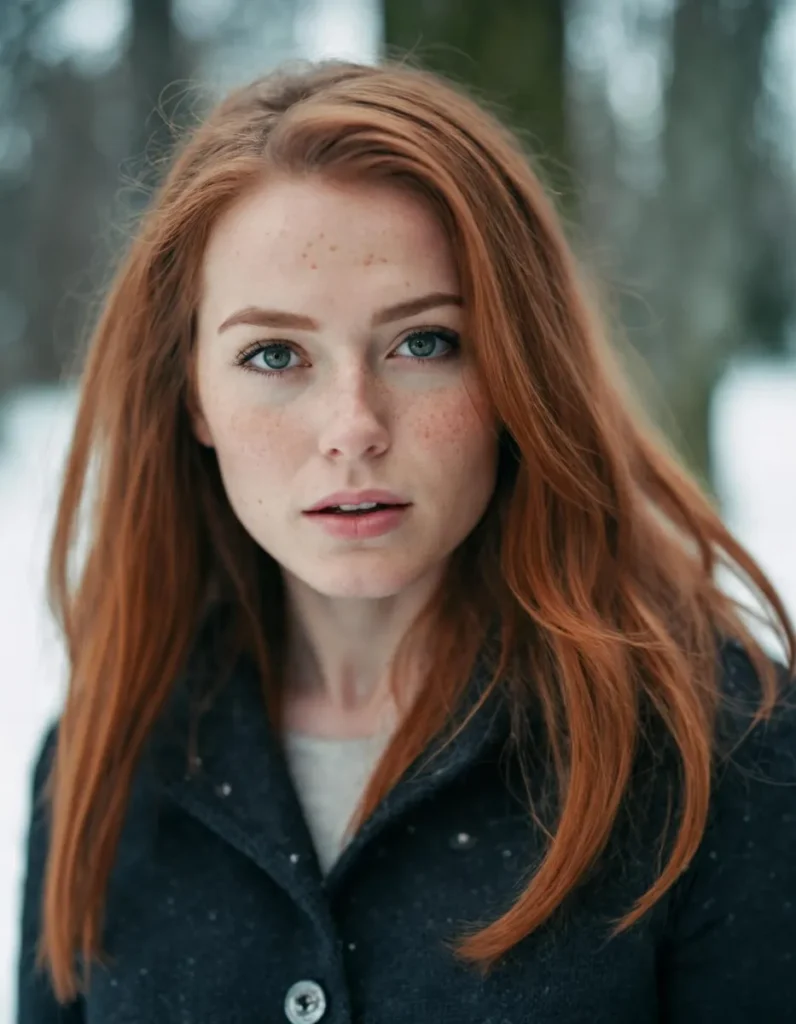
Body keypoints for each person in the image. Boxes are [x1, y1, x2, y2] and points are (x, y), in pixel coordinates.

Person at [15, 57, 796, 1024]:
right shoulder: (104, 757)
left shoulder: (718, 749)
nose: (353, 424)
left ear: (517, 365)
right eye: (274, 355)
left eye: (423, 342)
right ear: (193, 396)